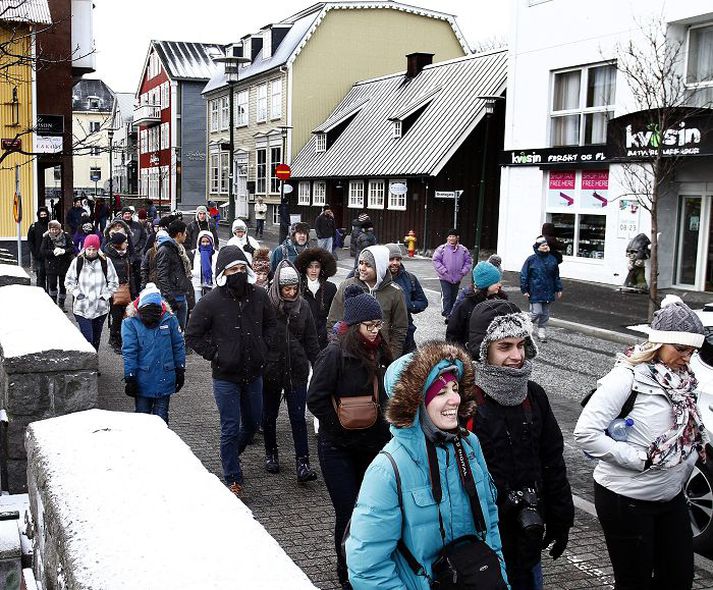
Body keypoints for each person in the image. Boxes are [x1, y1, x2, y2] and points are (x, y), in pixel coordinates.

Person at [346, 341, 509, 589]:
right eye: (441, 393)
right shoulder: (388, 469)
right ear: (416, 403)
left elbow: (490, 525)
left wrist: (500, 580)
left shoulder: (470, 446)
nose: (454, 399)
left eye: (455, 389)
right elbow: (367, 568)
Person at [574, 295, 706, 590]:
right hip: (626, 499)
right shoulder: (626, 377)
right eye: (681, 348)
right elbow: (585, 433)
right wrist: (640, 459)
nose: (687, 356)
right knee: (634, 582)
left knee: (678, 578)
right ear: (658, 343)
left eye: (693, 350)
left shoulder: (686, 382)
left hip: (670, 497)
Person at [468, 300, 574, 589]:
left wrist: (560, 516)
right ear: (483, 349)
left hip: (527, 530)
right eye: (505, 346)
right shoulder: (462, 399)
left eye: (521, 344)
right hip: (481, 537)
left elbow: (552, 459)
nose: (517, 356)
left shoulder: (534, 395)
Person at [307, 284, 393, 587]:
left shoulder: (383, 352)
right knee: (348, 512)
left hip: (373, 447)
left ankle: (368, 567)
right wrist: (340, 424)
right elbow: (315, 399)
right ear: (355, 326)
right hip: (337, 448)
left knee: (372, 512)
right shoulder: (334, 354)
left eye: (378, 324)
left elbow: (389, 395)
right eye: (369, 326)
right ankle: (346, 574)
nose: (375, 331)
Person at [185, 246, 276, 496]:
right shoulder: (211, 301)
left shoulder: (259, 296)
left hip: (254, 372)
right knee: (229, 426)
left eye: (240, 268)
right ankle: (233, 477)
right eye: (231, 270)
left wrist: (263, 348)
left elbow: (271, 325)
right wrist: (216, 354)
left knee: (252, 422)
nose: (236, 273)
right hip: (225, 376)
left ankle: (230, 453)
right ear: (223, 273)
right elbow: (192, 335)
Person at [263, 260, 321, 482]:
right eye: (287, 288)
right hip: (271, 369)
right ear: (278, 287)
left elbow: (311, 340)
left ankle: (303, 462)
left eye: (294, 288)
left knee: (298, 416)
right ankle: (271, 454)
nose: (291, 292)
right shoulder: (267, 305)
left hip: (296, 368)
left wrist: (317, 366)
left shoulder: (303, 306)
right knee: (269, 415)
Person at [328, 245, 408, 360]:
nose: (362, 268)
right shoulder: (346, 286)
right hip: (349, 354)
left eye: (368, 265)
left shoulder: (396, 292)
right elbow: (333, 321)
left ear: (379, 267)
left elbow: (400, 328)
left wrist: (391, 356)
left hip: (380, 356)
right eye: (361, 263)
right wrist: (339, 350)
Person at [122, 283, 186, 425]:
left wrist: (180, 369)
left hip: (165, 376)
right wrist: (130, 376)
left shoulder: (170, 319)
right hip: (143, 379)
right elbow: (130, 351)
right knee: (142, 418)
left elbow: (178, 346)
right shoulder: (130, 323)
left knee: (161, 419)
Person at [64, 234, 119, 351]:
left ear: (98, 249)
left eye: (94, 249)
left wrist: (105, 296)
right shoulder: (77, 261)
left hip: (100, 307)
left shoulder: (105, 262)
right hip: (82, 307)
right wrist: (78, 294)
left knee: (96, 338)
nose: (91, 252)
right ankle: (89, 363)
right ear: (85, 248)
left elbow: (114, 282)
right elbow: (68, 281)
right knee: (87, 338)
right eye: (89, 249)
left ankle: (94, 362)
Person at [447, 257, 507, 348]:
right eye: (496, 282)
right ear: (486, 285)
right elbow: (453, 333)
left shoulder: (500, 301)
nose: (500, 285)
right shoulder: (466, 305)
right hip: (471, 352)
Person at [385, 243, 428, 354]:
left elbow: (423, 302)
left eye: (398, 259)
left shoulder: (410, 278)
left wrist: (408, 305)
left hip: (406, 332)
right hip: (383, 332)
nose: (395, 263)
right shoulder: (377, 278)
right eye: (391, 259)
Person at [520, 235, 562, 342]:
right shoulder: (531, 260)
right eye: (543, 245)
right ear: (538, 247)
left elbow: (556, 276)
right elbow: (524, 275)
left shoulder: (552, 259)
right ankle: (523, 327)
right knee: (536, 312)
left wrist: (559, 288)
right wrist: (524, 289)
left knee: (545, 314)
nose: (545, 247)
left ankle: (541, 332)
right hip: (535, 291)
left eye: (546, 245)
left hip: (548, 291)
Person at [295, 247, 337, 350]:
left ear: (321, 268)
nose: (313, 270)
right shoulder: (297, 287)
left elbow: (334, 315)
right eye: (310, 267)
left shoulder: (330, 288)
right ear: (305, 268)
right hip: (301, 338)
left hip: (322, 339)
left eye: (317, 267)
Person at [155, 219, 192, 331]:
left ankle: (181, 347)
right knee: (171, 330)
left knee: (181, 328)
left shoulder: (178, 248)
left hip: (180, 293)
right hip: (172, 296)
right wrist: (169, 297)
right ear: (179, 234)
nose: (186, 235)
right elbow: (162, 275)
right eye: (185, 233)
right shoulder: (165, 249)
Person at [432, 228, 472, 322]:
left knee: (454, 296)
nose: (451, 238)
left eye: (453, 236)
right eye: (449, 236)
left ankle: (452, 313)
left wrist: (462, 272)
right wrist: (443, 271)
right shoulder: (442, 249)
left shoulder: (463, 250)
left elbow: (468, 262)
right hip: (444, 277)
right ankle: (447, 314)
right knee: (447, 296)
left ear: (457, 237)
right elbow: (436, 260)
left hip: (457, 278)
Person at [103, 232, 134, 353]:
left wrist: (133, 290)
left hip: (125, 289)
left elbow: (129, 273)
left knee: (125, 316)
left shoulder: (126, 255)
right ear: (118, 244)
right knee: (116, 316)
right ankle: (114, 339)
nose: (127, 244)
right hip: (113, 290)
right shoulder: (107, 257)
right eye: (124, 242)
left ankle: (121, 339)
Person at [41, 220, 75, 310]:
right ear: (49, 229)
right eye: (52, 229)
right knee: (52, 284)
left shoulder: (66, 236)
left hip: (64, 264)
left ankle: (61, 303)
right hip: (51, 265)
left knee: (63, 285)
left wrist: (64, 251)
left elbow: (72, 248)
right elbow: (42, 251)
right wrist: (53, 252)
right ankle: (53, 302)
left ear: (59, 229)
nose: (54, 231)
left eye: (56, 229)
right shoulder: (47, 238)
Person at [120, 207, 148, 295]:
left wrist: (138, 247)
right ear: (122, 215)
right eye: (125, 214)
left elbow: (143, 237)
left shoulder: (137, 225)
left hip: (136, 255)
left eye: (129, 213)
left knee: (137, 276)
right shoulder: (119, 225)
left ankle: (136, 293)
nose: (127, 215)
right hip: (123, 255)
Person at [191, 230, 218, 303]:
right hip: (197, 284)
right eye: (203, 242)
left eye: (207, 241)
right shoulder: (194, 254)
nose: (205, 244)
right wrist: (194, 273)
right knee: (199, 305)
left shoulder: (216, 254)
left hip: (213, 285)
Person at [27, 207, 50, 292]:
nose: (43, 216)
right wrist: (34, 253)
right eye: (41, 215)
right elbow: (30, 241)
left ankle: (50, 296)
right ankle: (41, 293)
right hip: (38, 256)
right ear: (38, 216)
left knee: (51, 278)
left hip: (49, 255)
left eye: (45, 214)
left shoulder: (51, 226)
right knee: (40, 277)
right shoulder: (34, 226)